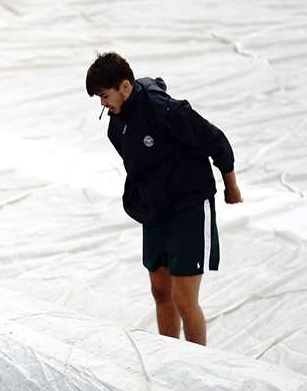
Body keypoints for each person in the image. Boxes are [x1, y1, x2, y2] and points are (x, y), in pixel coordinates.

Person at [87, 52, 242, 347]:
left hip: (189, 206)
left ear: (125, 87)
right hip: (155, 210)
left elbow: (215, 139)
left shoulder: (164, 110)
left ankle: (197, 364)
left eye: (105, 95)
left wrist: (230, 187)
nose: (102, 104)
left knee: (184, 299)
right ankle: (169, 357)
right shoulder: (116, 126)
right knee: (160, 290)